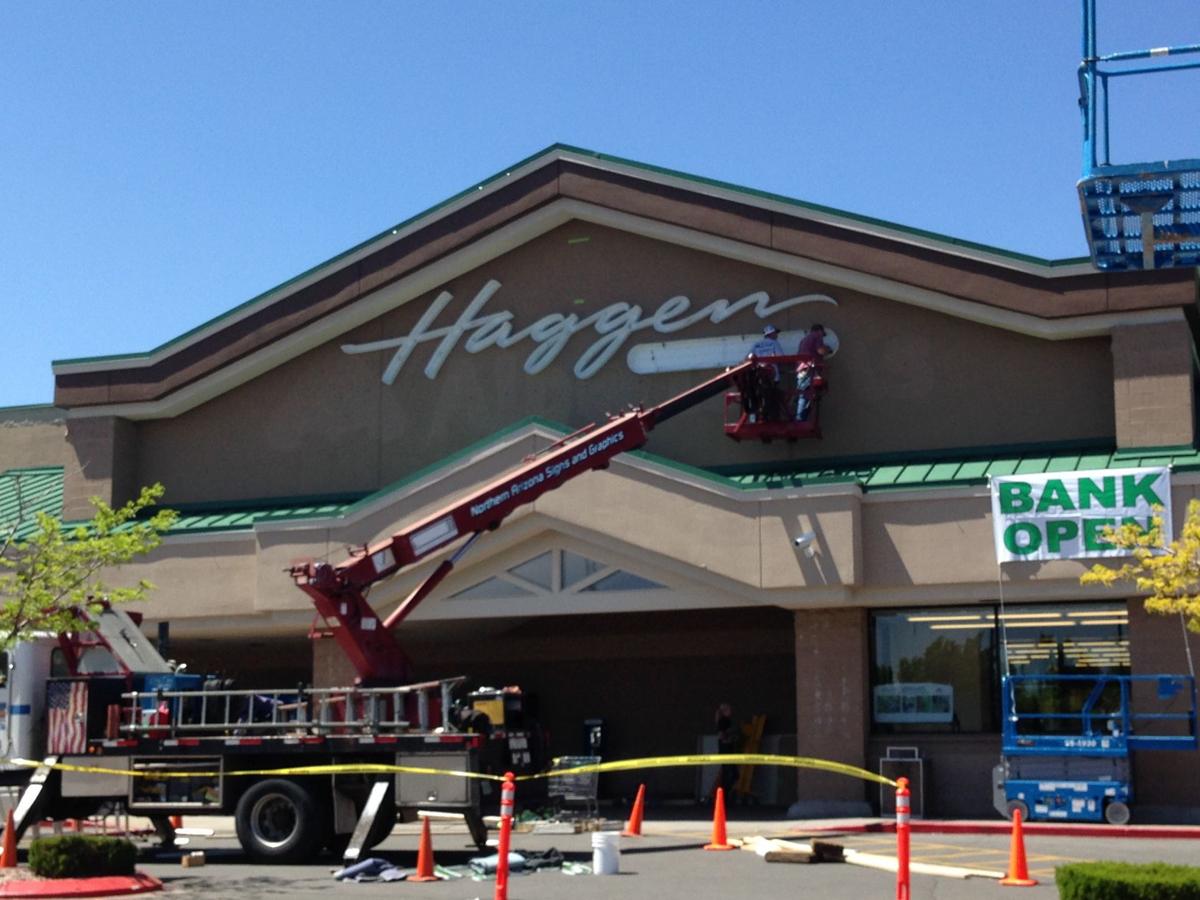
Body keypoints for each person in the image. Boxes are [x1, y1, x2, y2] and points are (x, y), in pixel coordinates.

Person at [745, 325, 785, 421]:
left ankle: (758, 417)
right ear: (771, 333)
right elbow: (781, 358)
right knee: (773, 398)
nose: (777, 335)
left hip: (758, 378)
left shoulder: (757, 344)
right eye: (775, 333)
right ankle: (771, 418)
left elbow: (747, 359)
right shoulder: (774, 343)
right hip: (772, 377)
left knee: (758, 397)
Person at [794, 323, 830, 422]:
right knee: (806, 395)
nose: (822, 336)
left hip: (801, 368)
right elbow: (820, 351)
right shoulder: (817, 335)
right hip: (809, 369)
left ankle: (800, 418)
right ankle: (800, 419)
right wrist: (827, 349)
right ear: (820, 330)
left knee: (803, 393)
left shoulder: (804, 339)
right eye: (823, 333)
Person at [715, 702, 738, 796]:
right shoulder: (724, 721)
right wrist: (729, 737)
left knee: (732, 774)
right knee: (730, 774)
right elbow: (722, 735)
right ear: (725, 711)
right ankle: (725, 794)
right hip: (726, 750)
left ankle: (726, 793)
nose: (731, 711)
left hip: (727, 750)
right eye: (729, 709)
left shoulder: (725, 721)